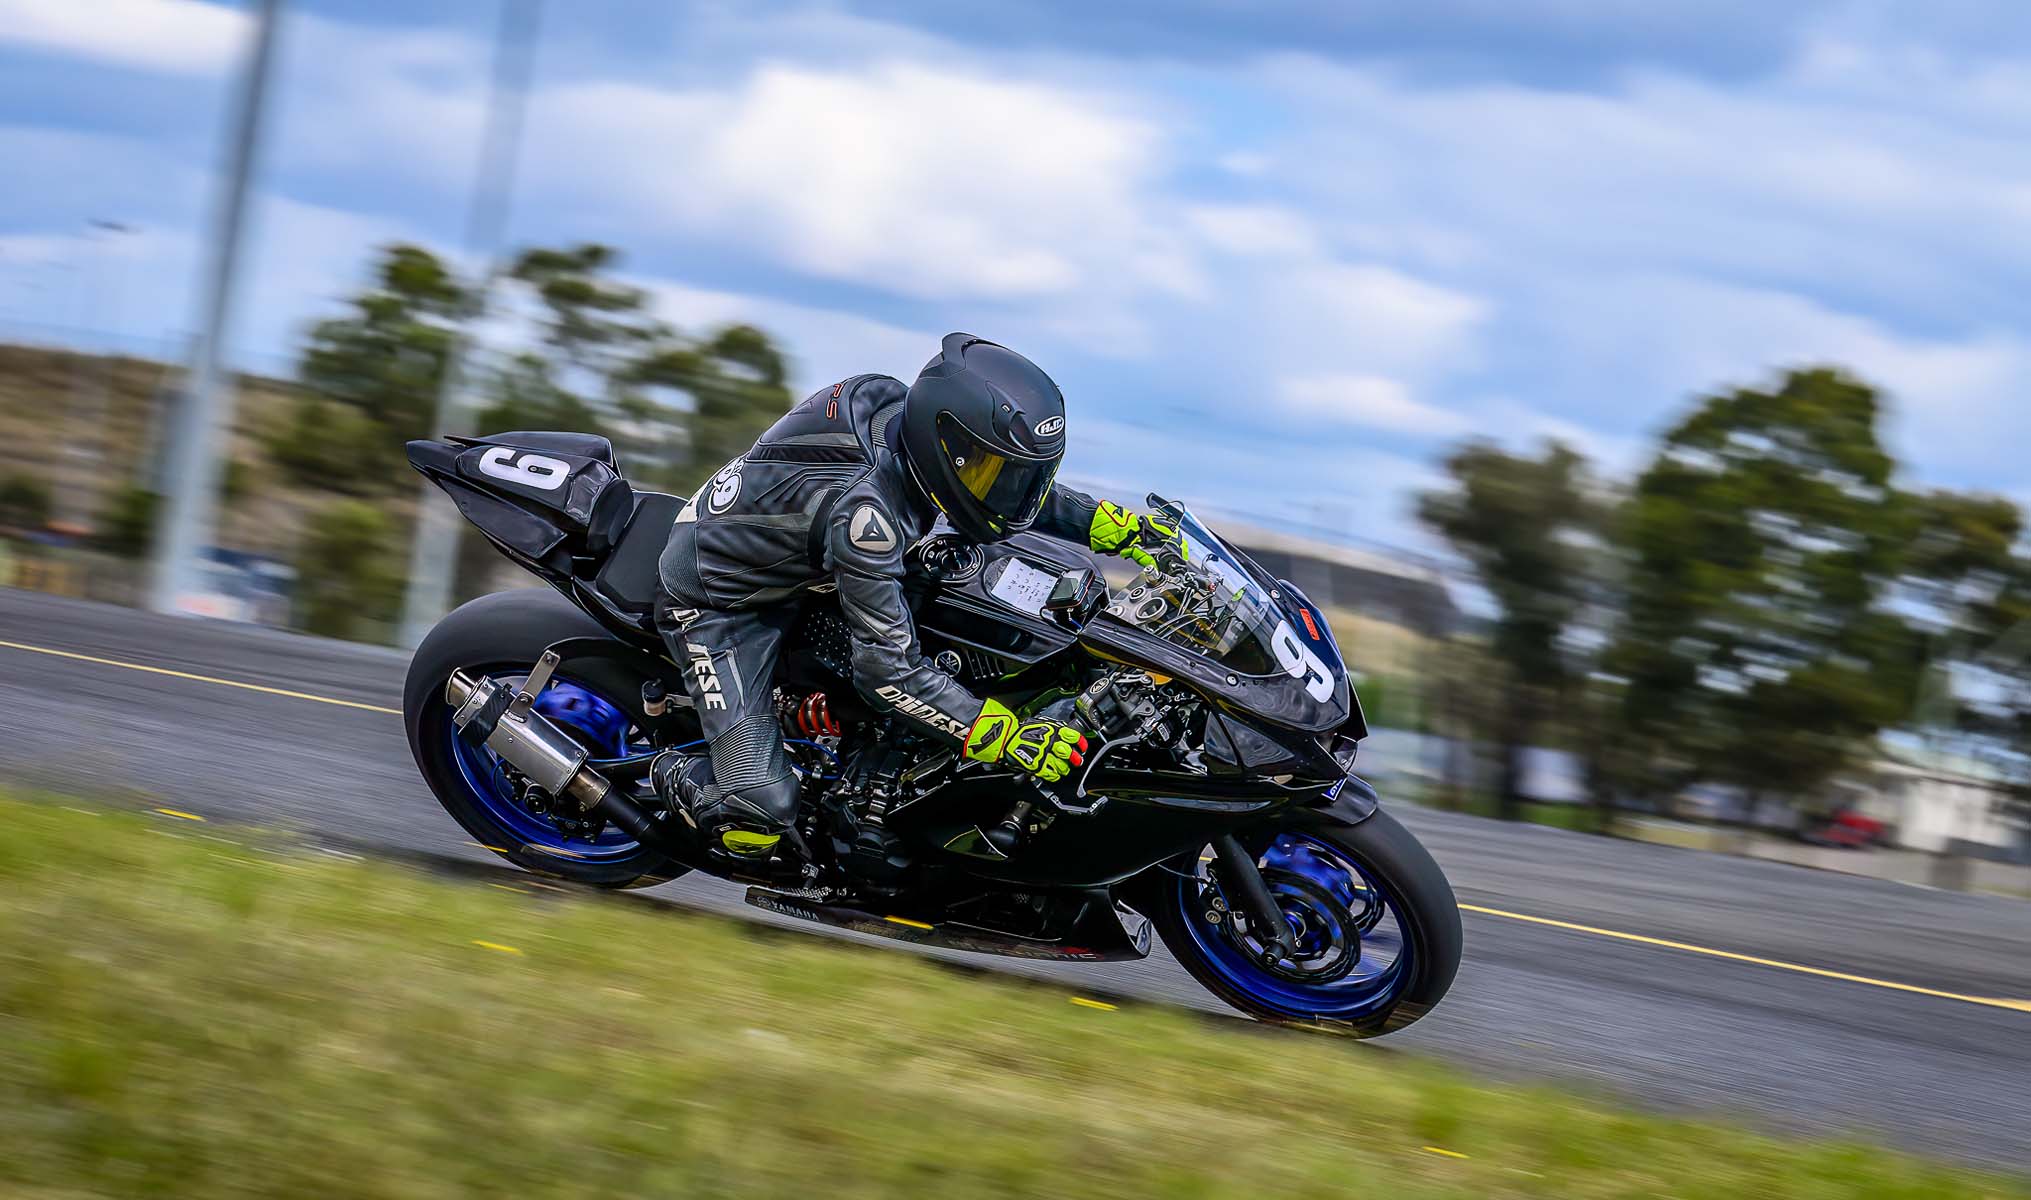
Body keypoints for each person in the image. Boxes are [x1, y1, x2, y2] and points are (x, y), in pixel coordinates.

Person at [651, 332, 1184, 859]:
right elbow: (886, 673)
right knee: (761, 811)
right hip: (719, 604)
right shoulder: (867, 519)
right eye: (995, 471)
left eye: (1022, 475)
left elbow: (991, 488)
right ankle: (673, 773)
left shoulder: (899, 414)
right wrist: (1005, 736)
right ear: (943, 445)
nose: (1009, 489)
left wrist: (1114, 527)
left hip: (799, 565)